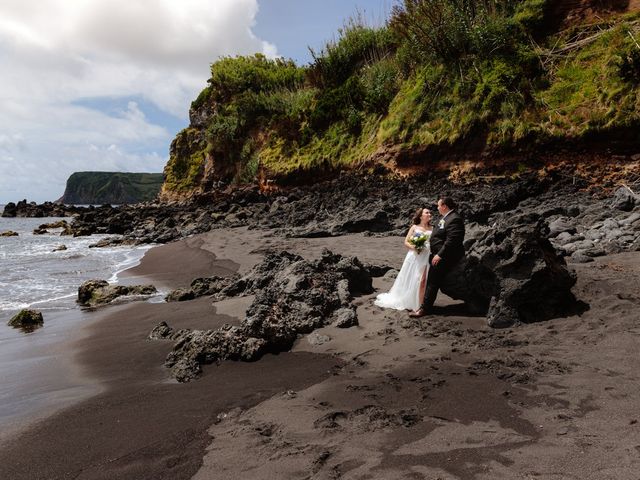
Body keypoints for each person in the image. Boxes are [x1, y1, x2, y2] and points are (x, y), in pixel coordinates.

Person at [410, 196, 465, 317]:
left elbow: (452, 241)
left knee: (432, 282)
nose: (437, 208)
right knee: (429, 280)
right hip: (435, 254)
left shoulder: (454, 219)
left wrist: (439, 255)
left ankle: (424, 309)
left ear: (444, 206)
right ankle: (424, 305)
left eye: (439, 205)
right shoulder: (445, 217)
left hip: (446, 257)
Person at [374, 208, 432, 311]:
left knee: (423, 280)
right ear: (421, 216)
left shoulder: (432, 228)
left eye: (429, 212)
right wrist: (415, 247)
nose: (429, 214)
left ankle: (420, 304)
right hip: (414, 256)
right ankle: (410, 301)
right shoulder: (414, 227)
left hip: (427, 255)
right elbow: (406, 242)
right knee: (412, 278)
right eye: (427, 212)